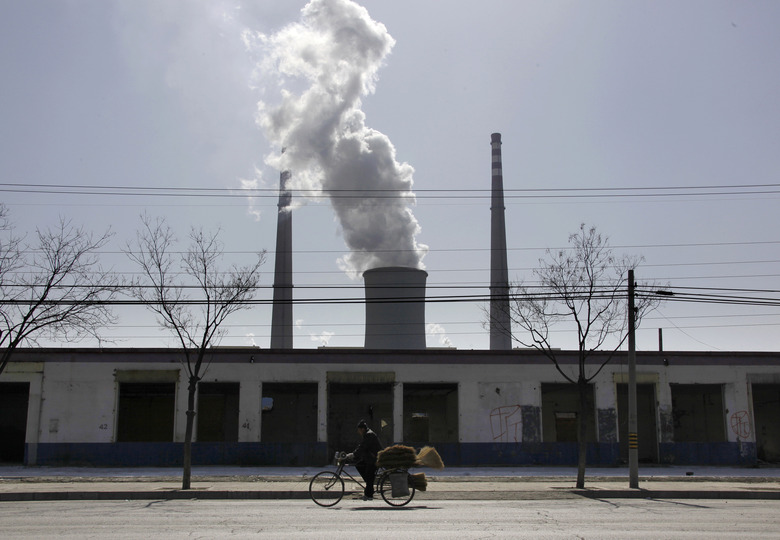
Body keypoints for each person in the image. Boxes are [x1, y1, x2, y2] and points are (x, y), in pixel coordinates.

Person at [346, 419, 382, 500]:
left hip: (374, 459)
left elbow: (362, 447)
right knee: (359, 465)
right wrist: (355, 455)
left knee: (369, 475)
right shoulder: (367, 434)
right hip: (370, 458)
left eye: (359, 430)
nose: (358, 432)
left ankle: (368, 494)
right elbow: (362, 447)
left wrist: (353, 454)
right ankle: (370, 485)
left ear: (362, 429)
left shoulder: (369, 435)